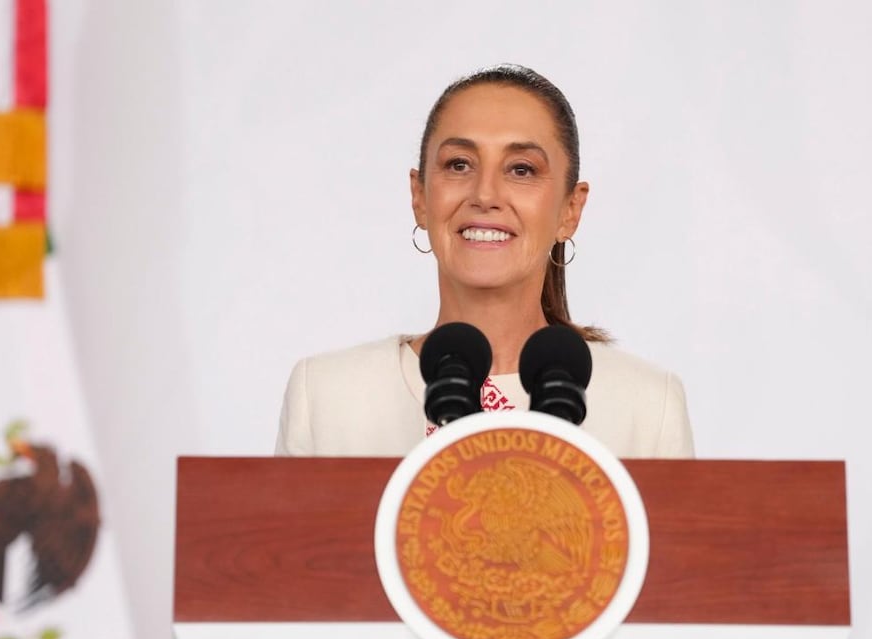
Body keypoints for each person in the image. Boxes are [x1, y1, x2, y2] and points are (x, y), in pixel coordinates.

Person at [275, 64, 693, 458]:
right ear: (419, 197)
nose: (486, 195)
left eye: (522, 170)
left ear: (571, 209)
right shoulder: (327, 398)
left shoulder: (649, 408)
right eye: (459, 164)